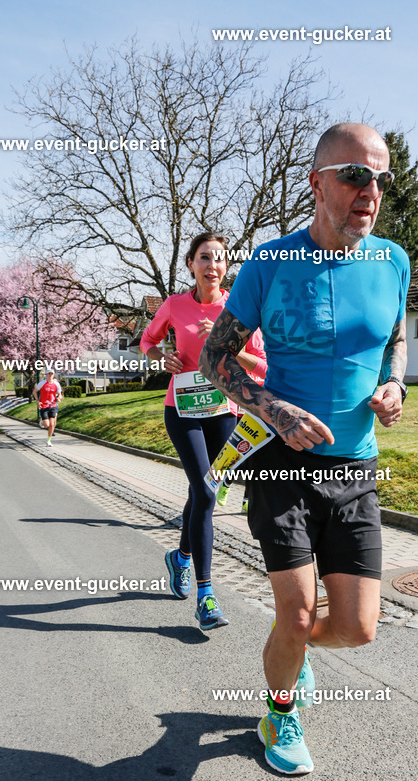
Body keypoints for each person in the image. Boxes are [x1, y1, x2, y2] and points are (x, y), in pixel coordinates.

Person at [200, 123, 410, 774]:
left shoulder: (392, 262)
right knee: (294, 616)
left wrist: (396, 384)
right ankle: (279, 711)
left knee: (356, 629)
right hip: (280, 463)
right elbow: (215, 358)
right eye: (354, 175)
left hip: (355, 465)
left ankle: (293, 649)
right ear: (317, 183)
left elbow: (396, 340)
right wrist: (274, 408)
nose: (370, 191)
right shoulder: (271, 263)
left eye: (381, 179)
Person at [139, 233, 265, 631]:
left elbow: (262, 365)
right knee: (207, 492)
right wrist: (162, 357)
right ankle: (206, 596)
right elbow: (147, 340)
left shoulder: (238, 308)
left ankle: (179, 557)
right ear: (191, 264)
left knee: (201, 494)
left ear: (227, 266)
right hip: (183, 410)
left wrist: (227, 347)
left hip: (224, 410)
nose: (213, 265)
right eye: (205, 257)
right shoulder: (174, 305)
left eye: (220, 258)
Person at [216, 333, 267, 511]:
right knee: (242, 452)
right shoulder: (247, 331)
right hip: (241, 401)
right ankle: (226, 482)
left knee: (257, 456)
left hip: (262, 399)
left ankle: (247, 499)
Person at [34, 370, 63, 446]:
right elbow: (34, 391)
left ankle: (48, 440)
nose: (50, 375)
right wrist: (38, 401)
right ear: (46, 374)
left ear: (53, 375)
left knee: (52, 424)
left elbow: (59, 394)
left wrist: (58, 398)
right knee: (46, 425)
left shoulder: (56, 384)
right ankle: (42, 419)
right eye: (48, 374)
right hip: (44, 406)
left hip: (52, 406)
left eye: (51, 374)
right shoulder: (42, 383)